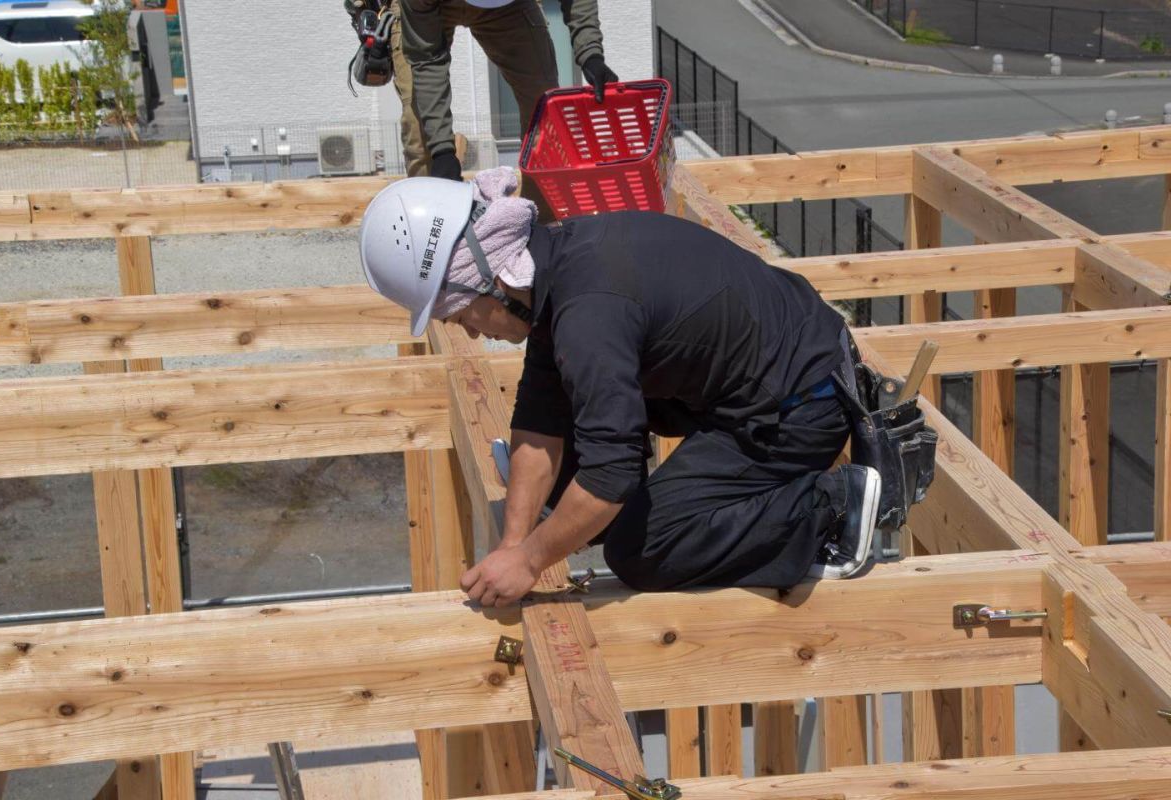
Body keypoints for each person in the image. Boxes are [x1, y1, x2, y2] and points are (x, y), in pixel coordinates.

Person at [358, 168, 882, 607]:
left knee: (641, 550)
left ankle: (832, 508)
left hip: (799, 405)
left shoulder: (588, 315)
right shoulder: (560, 266)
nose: (472, 332)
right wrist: (513, 546)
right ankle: (618, 510)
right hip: (755, 372)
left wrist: (533, 560)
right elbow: (540, 425)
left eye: (463, 316)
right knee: (569, 471)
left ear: (495, 283)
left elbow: (612, 472)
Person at [348, 0, 616, 186]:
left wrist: (590, 53)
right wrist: (442, 151)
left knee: (543, 108)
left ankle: (543, 231)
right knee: (420, 128)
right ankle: (432, 229)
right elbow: (427, 60)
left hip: (509, 9)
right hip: (428, 9)